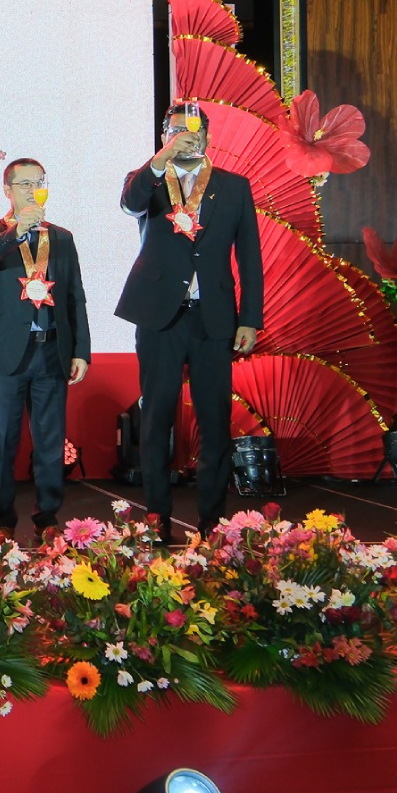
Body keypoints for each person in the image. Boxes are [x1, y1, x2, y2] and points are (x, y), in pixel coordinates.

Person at [116, 105, 264, 543]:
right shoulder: (147, 179)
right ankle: (156, 518)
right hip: (160, 317)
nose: (186, 135)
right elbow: (130, 204)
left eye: (194, 129)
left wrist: (250, 319)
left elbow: (249, 257)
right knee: (156, 417)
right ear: (164, 135)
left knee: (214, 421)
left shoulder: (234, 187)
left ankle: (212, 522)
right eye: (177, 129)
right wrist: (161, 158)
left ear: (208, 137)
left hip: (213, 316)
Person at [0, 158, 91, 539]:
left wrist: (81, 350)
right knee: (2, 440)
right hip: (7, 353)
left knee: (50, 441)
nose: (32, 190)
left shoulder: (62, 238)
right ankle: (1, 519)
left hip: (51, 349)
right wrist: (18, 230)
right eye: (24, 184)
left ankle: (47, 519)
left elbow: (75, 296)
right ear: (7, 190)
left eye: (38, 183)